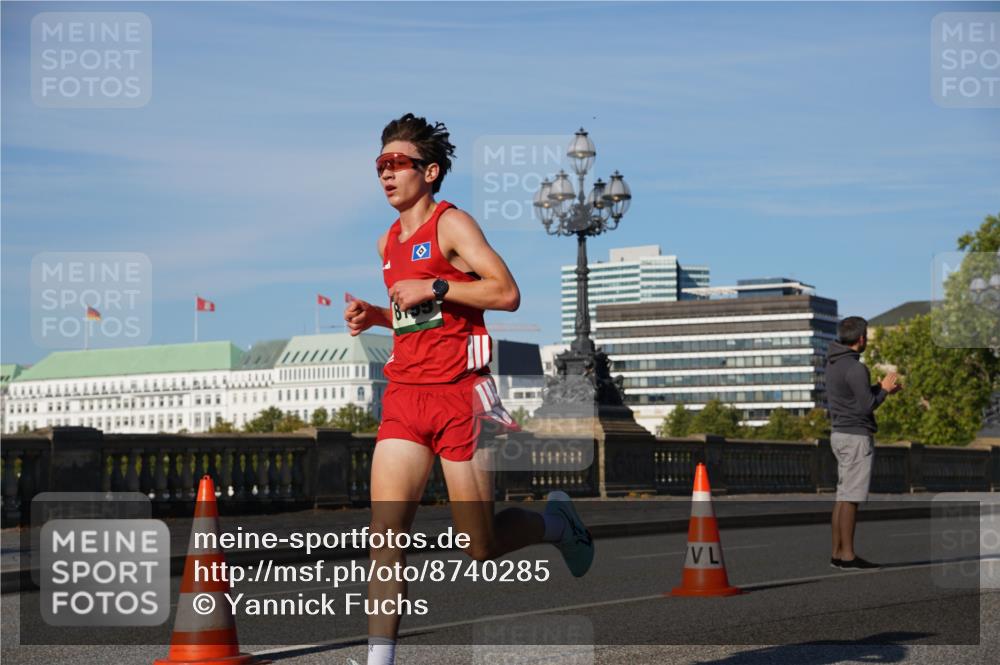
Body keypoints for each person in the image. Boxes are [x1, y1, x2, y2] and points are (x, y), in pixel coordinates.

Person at [343, 113, 595, 665]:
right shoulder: (387, 240)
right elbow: (420, 314)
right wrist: (378, 316)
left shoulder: (453, 225)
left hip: (460, 396)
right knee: (385, 535)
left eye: (397, 163)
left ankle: (557, 524)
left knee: (479, 546)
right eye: (380, 165)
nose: (386, 174)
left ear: (430, 171)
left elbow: (505, 293)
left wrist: (434, 284)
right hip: (405, 397)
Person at [825, 316, 902, 570]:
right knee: (852, 497)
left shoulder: (834, 363)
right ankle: (848, 555)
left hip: (839, 433)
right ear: (861, 338)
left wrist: (878, 388)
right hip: (856, 436)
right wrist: (885, 390)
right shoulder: (856, 368)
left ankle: (837, 553)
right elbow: (867, 405)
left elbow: (854, 396)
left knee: (843, 496)